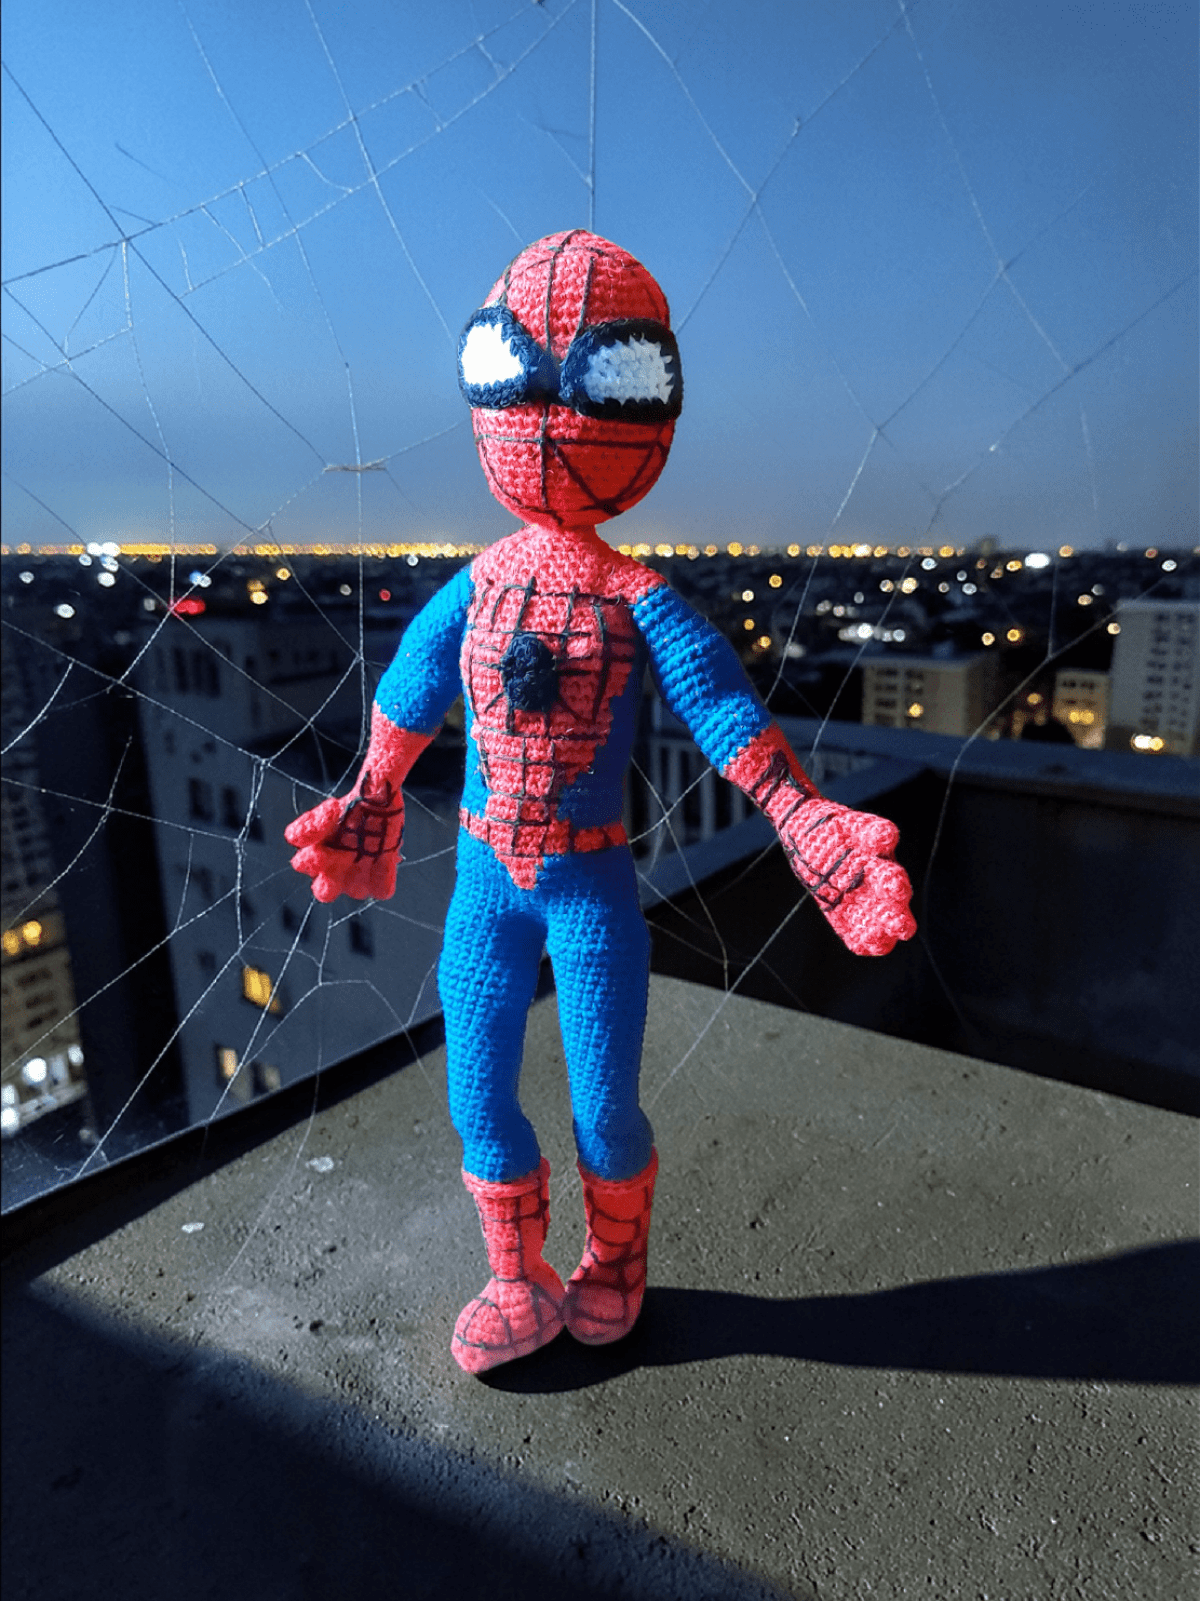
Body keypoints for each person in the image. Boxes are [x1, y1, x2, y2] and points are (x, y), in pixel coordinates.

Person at [286, 230, 916, 1373]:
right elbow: (413, 690)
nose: (548, 418)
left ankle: (614, 1262)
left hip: (582, 885)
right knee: (477, 1091)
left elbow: (719, 708)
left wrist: (801, 815)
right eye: (514, 374)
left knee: (606, 1106)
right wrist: (369, 794)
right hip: (496, 875)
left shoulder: (622, 599)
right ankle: (515, 1272)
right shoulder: (494, 588)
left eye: (604, 380)